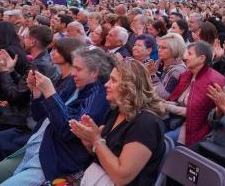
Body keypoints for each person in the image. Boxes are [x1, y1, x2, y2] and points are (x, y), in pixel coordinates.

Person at [0, 47, 112, 186]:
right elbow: (39, 116)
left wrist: (49, 92)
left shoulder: (99, 97)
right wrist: (37, 92)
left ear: (95, 72)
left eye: (78, 69)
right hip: (36, 143)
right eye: (73, 67)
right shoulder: (73, 84)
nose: (73, 73)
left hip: (53, 157)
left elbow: (67, 132)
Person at [69, 58, 166, 186]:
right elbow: (104, 156)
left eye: (113, 80)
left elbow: (121, 177)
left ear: (129, 87)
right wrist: (88, 141)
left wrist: (96, 140)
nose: (106, 84)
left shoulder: (146, 123)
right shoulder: (117, 111)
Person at [165, 41, 225, 146]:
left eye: (189, 54)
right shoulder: (186, 74)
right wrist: (166, 104)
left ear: (202, 58)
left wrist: (166, 106)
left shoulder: (214, 81)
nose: (184, 57)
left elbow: (195, 113)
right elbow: (179, 102)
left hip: (194, 127)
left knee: (165, 141)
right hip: (175, 119)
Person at [151, 33, 187, 100]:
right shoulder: (159, 62)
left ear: (175, 50)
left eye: (164, 48)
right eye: (159, 47)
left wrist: (152, 75)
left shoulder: (178, 70)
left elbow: (165, 96)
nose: (159, 50)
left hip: (163, 106)